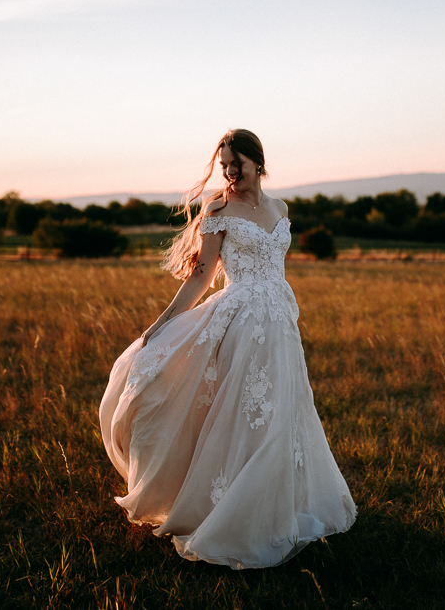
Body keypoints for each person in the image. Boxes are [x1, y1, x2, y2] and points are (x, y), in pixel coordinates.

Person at [99, 129, 356, 569]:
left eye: (238, 164)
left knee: (284, 411)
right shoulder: (218, 209)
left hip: (280, 321)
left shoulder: (280, 208)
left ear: (258, 162)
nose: (231, 173)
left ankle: (276, 507)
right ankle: (230, 513)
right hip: (241, 320)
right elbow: (201, 275)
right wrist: (162, 323)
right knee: (245, 414)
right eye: (225, 166)